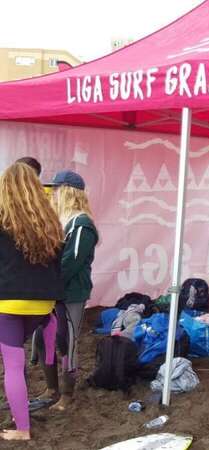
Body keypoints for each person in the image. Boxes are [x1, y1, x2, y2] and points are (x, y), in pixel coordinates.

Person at [0, 163, 63, 440]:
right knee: (17, 360)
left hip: (7, 304)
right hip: (42, 305)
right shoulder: (50, 221)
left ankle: (22, 429)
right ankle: (19, 413)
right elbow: (58, 264)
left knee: (13, 364)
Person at [34, 170, 99, 411]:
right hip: (52, 292)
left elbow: (71, 261)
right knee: (43, 339)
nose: (53, 193)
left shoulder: (81, 223)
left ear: (68, 192)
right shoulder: (61, 221)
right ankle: (52, 389)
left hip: (70, 294)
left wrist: (46, 285)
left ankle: (67, 395)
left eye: (57, 189)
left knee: (66, 342)